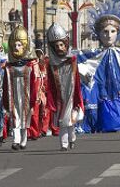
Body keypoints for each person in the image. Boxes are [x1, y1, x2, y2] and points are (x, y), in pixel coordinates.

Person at [78, 1, 120, 132]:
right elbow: (78, 64)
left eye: (113, 31)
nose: (109, 35)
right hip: (101, 98)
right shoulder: (92, 55)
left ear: (118, 33)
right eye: (105, 31)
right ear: (99, 33)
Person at [45, 23, 84, 151]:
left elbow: (77, 79)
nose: (59, 48)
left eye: (61, 45)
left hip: (71, 96)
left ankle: (71, 139)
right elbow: (50, 82)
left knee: (70, 121)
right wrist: (50, 97)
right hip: (59, 97)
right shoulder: (51, 64)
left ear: (66, 44)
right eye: (56, 46)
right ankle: (64, 144)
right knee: (63, 121)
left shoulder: (72, 60)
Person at [3, 26, 39, 150]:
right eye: (14, 46)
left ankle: (23, 139)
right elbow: (5, 85)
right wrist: (5, 102)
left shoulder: (29, 66)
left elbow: (34, 84)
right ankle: (16, 140)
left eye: (19, 45)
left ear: (24, 46)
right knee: (15, 116)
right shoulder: (9, 67)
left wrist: (34, 100)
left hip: (26, 97)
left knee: (24, 118)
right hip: (13, 97)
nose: (16, 48)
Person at [28, 48, 52, 140]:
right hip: (34, 93)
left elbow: (46, 80)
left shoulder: (44, 66)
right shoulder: (33, 65)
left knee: (44, 112)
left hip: (43, 93)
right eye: (36, 54)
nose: (38, 57)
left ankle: (42, 130)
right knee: (33, 113)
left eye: (39, 55)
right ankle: (33, 132)